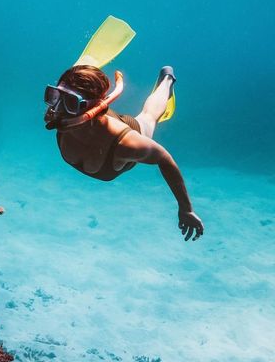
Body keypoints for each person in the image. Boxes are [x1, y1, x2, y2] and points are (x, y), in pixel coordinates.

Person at [44, 64, 204, 241]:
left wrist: (185, 208)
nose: (57, 108)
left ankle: (167, 79)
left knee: (148, 117)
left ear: (93, 107)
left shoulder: (125, 143)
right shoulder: (61, 114)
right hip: (94, 117)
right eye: (54, 96)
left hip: (116, 131)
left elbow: (164, 158)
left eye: (70, 102)